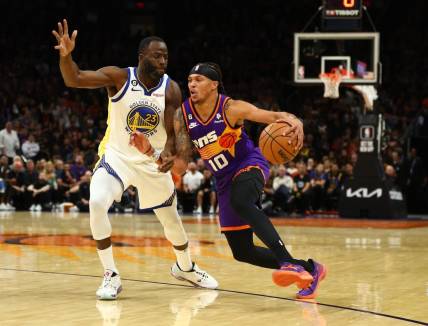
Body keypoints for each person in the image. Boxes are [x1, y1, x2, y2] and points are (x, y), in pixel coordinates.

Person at [52, 19, 217, 300]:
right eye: (157, 55)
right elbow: (74, 78)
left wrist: (167, 155)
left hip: (150, 162)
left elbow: (174, 131)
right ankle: (111, 275)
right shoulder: (119, 78)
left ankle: (186, 267)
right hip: (117, 156)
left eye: (166, 55)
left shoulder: (171, 89)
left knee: (172, 223)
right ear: (142, 57)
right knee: (96, 202)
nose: (163, 60)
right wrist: (66, 56)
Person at [132, 62, 326, 299]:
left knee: (242, 201)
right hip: (223, 179)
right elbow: (181, 166)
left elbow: (274, 116)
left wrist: (295, 120)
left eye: (199, 80)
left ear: (213, 85)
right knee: (242, 251)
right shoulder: (182, 115)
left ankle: (287, 262)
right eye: (190, 80)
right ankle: (310, 269)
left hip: (249, 164)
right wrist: (151, 152)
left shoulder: (231, 108)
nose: (192, 84)